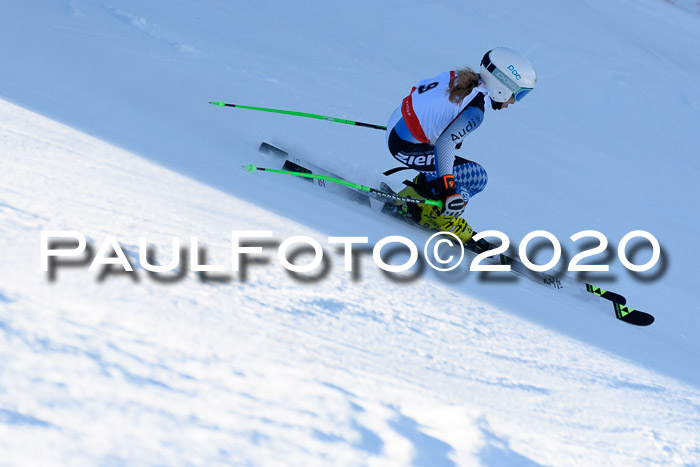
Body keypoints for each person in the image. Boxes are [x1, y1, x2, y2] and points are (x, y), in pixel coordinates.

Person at [383, 47, 537, 243]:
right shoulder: (475, 111)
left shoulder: (459, 78)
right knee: (476, 177)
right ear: (502, 87)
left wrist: (418, 127)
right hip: (407, 147)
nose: (514, 102)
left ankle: (416, 197)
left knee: (450, 163)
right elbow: (445, 144)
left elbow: (420, 96)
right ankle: (441, 217)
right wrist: (449, 191)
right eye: (518, 94)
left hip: (397, 128)